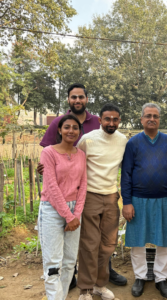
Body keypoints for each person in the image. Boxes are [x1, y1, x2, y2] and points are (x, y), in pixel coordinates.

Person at [38, 83, 127, 289]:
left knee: (105, 243)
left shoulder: (97, 121)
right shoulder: (62, 124)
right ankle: (76, 281)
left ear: (87, 99)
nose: (77, 100)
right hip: (74, 196)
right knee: (87, 242)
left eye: (81, 97)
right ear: (68, 100)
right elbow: (52, 154)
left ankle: (102, 276)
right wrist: (45, 167)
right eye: (73, 97)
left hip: (99, 196)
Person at [121, 103, 167, 299]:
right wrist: (127, 202)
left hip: (164, 201)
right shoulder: (133, 143)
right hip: (138, 200)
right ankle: (140, 277)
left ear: (159, 119)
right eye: (148, 115)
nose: (152, 119)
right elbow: (126, 174)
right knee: (138, 241)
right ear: (141, 119)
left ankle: (161, 278)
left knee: (163, 241)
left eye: (155, 116)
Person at [77, 103, 128, 300]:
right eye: (107, 119)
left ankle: (100, 285)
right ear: (100, 120)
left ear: (119, 121)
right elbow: (75, 162)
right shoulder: (87, 140)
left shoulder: (123, 140)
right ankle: (85, 289)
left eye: (115, 119)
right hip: (90, 195)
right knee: (89, 244)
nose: (111, 122)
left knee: (108, 244)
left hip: (111, 196)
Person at [38, 114, 87, 300]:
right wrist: (68, 216)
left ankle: (62, 296)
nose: (71, 131)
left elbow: (83, 186)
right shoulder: (48, 153)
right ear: (59, 130)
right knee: (53, 264)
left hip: (75, 211)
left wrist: (77, 214)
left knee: (68, 263)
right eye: (67, 127)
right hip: (52, 209)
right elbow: (51, 186)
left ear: (79, 132)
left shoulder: (81, 155)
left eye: (75, 128)